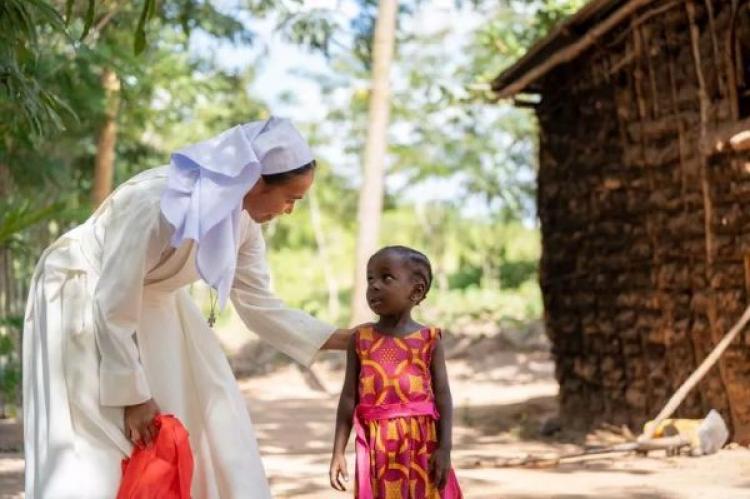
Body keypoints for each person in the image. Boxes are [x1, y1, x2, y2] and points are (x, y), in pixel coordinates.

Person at [23, 116, 351, 498]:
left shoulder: (243, 224)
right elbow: (113, 297)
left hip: (153, 300)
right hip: (84, 291)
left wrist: (344, 339)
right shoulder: (161, 203)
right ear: (257, 180)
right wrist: (133, 395)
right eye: (291, 198)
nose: (290, 210)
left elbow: (259, 304)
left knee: (205, 411)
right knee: (97, 431)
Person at [329, 246, 463, 498]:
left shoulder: (429, 339)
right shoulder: (360, 339)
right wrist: (337, 451)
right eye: (370, 279)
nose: (374, 286)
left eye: (386, 277)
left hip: (422, 445)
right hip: (376, 448)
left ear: (417, 290)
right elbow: (348, 399)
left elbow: (443, 396)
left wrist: (445, 448)